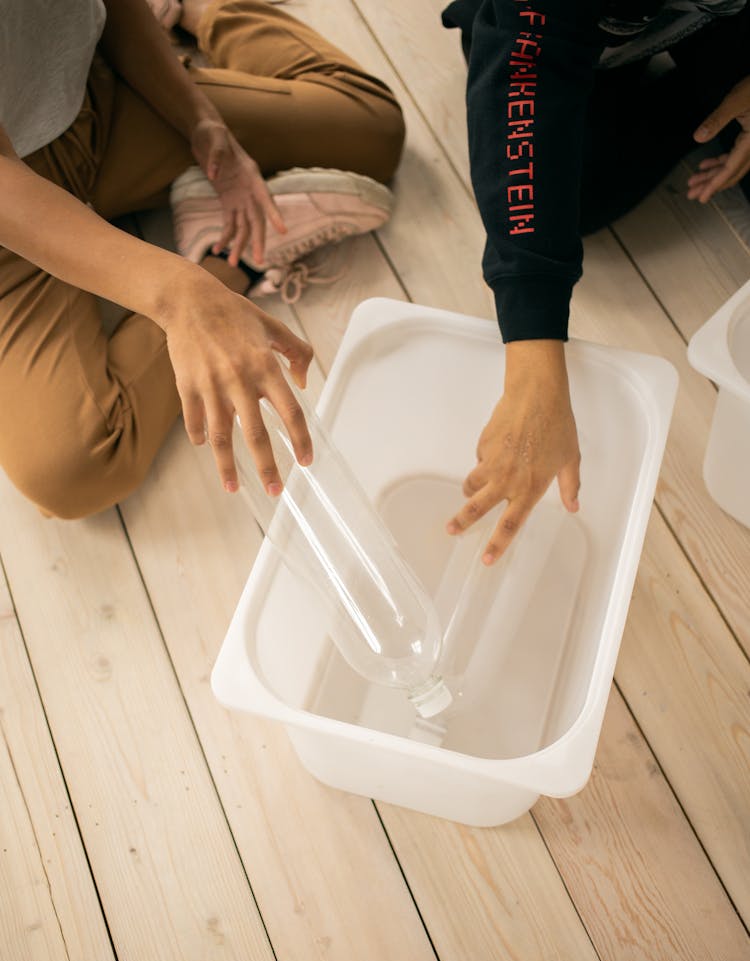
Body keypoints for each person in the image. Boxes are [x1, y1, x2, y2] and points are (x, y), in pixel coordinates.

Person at [0, 0, 405, 519]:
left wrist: (201, 122)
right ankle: (233, 255)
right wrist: (189, 291)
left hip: (93, 101)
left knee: (371, 129)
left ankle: (198, 8)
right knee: (72, 472)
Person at [441, 0, 750, 565]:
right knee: (582, 188)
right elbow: (524, 83)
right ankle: (701, 100)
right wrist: (533, 363)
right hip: (564, 29)